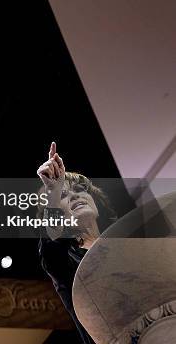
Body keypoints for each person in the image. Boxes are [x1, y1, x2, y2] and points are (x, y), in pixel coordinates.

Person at [36, 142, 117, 344]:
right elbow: (51, 244)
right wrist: (53, 192)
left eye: (80, 190)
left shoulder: (127, 244)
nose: (74, 195)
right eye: (64, 195)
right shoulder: (64, 262)